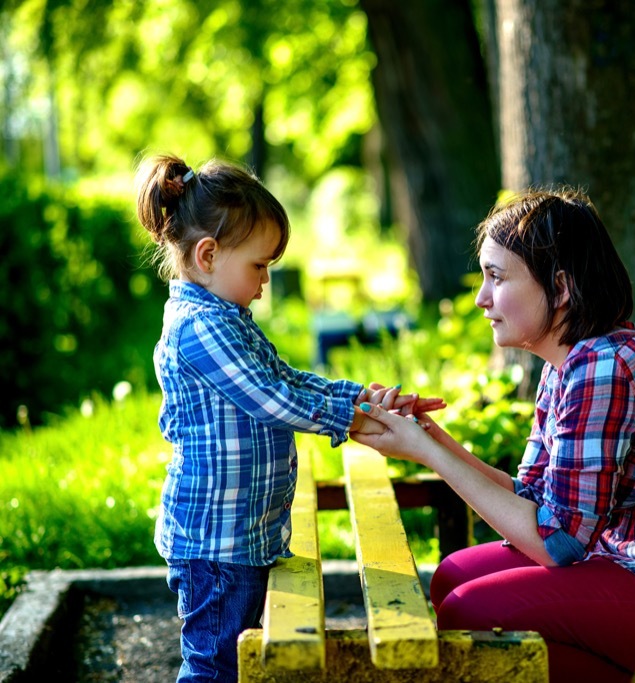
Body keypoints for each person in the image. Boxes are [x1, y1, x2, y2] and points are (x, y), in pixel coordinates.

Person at [351, 187, 635, 682]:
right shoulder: (568, 364)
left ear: (560, 288)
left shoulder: (602, 365)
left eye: (496, 277)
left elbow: (557, 543)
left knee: (472, 611)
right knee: (453, 576)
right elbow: (535, 503)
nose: (481, 298)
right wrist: (429, 438)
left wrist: (432, 457)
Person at [134, 153, 443, 683]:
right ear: (208, 255)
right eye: (259, 265)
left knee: (239, 660)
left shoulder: (226, 318)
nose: (266, 281)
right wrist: (353, 419)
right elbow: (270, 397)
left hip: (242, 537)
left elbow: (288, 378)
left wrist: (362, 399)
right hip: (216, 547)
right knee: (214, 668)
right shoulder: (198, 328)